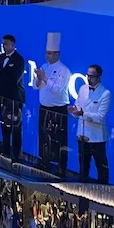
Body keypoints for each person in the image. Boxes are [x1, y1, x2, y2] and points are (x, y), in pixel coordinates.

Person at [34, 33, 71, 176]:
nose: (47, 56)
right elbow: (37, 87)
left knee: (59, 138)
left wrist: (44, 78)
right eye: (46, 53)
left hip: (58, 109)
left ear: (57, 54)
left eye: (50, 53)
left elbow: (57, 89)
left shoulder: (64, 70)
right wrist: (38, 78)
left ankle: (62, 166)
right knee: (44, 135)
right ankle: (45, 161)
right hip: (44, 107)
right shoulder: (44, 66)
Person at [69, 64, 111, 184]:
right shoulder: (82, 89)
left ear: (99, 77)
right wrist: (74, 110)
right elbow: (78, 104)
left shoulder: (105, 94)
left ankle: (104, 193)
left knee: (101, 168)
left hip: (96, 137)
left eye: (92, 76)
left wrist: (83, 113)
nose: (88, 79)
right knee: (83, 167)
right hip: (82, 134)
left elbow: (100, 116)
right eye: (88, 75)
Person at [0, 34, 25, 159]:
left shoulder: (19, 59)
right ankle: (5, 149)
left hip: (14, 97)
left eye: (6, 44)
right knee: (4, 123)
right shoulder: (2, 57)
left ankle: (16, 153)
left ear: (13, 45)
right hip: (2, 95)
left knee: (16, 127)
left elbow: (14, 78)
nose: (4, 46)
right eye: (3, 44)